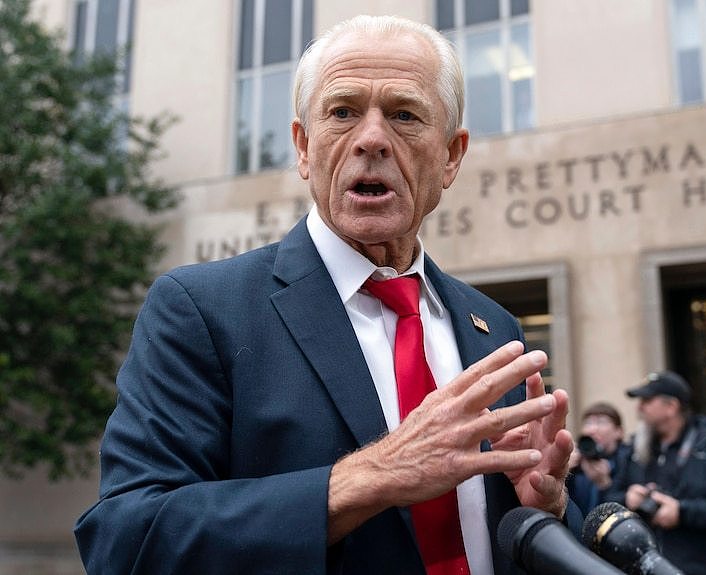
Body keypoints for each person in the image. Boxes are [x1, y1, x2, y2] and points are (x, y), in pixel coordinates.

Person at [73, 15, 579, 575]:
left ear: (452, 157)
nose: (370, 139)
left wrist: (546, 510)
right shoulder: (202, 309)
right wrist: (373, 476)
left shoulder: (494, 327)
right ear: (304, 147)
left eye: (404, 115)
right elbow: (126, 541)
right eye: (342, 113)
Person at [604, 370, 706, 575]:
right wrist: (627, 498)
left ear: (671, 407)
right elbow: (608, 501)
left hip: (697, 567)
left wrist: (682, 512)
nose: (639, 408)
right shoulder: (635, 449)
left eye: (647, 400)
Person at [566, 402, 632, 516]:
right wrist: (564, 472)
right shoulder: (577, 461)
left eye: (601, 422)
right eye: (588, 423)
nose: (592, 429)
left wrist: (604, 483)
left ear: (619, 432)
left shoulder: (629, 461)